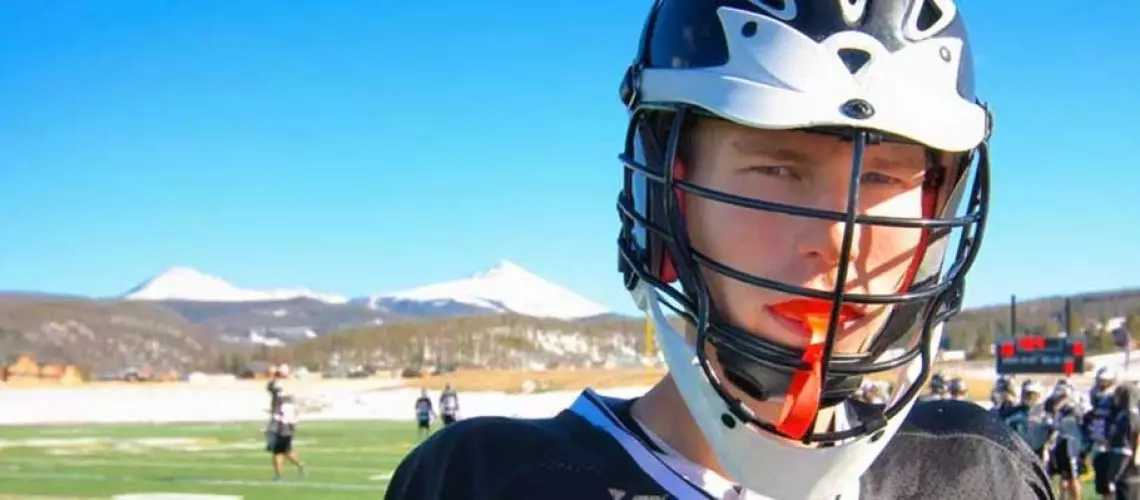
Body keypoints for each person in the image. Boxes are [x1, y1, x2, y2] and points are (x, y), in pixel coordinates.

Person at [386, 1, 1053, 499]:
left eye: (882, 178)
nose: (836, 241)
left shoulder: (976, 473)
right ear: (670, 199)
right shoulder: (491, 483)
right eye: (778, 170)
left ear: (938, 209)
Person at [1088, 367, 1121, 499]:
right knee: (1103, 487)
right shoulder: (1097, 398)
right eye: (1100, 381)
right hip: (1098, 445)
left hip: (1111, 446)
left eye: (1104, 382)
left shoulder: (1115, 398)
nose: (1101, 384)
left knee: (1112, 484)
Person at [1108, 382, 1140, 500]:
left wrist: (1114, 474)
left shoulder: (1126, 417)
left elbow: (1123, 449)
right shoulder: (1135, 416)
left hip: (1127, 473)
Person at [268, 394, 307, 481]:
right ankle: (300, 465)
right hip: (288, 431)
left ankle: (279, 475)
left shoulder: (281, 407)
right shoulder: (292, 408)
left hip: (281, 432)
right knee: (287, 452)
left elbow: (277, 419)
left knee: (278, 454)